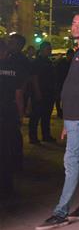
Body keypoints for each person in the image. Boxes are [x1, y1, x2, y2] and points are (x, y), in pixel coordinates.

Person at [36, 13, 79, 230]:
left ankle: (61, 212)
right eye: (73, 23)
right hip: (73, 118)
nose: (75, 27)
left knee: (71, 162)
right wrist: (67, 121)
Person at [5, 34, 31, 170]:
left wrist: (22, 108)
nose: (9, 44)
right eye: (9, 42)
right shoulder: (7, 58)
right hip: (7, 101)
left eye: (12, 42)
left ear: (20, 45)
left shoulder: (21, 61)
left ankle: (16, 161)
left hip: (14, 101)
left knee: (14, 131)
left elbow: (23, 85)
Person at [0, 39, 20, 194]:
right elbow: (18, 92)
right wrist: (20, 113)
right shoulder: (13, 67)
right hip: (8, 111)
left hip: (6, 111)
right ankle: (7, 184)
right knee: (6, 148)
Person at [29, 42, 56, 144]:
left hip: (48, 93)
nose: (50, 51)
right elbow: (34, 78)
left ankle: (46, 135)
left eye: (50, 49)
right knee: (36, 116)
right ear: (42, 50)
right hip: (40, 92)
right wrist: (37, 92)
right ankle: (33, 137)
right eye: (48, 49)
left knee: (46, 115)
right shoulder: (37, 62)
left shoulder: (48, 62)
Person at [54, 49, 74, 118]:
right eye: (70, 55)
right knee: (58, 99)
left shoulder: (73, 63)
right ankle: (60, 112)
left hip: (69, 84)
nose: (71, 56)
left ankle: (65, 112)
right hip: (60, 83)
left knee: (67, 99)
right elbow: (57, 72)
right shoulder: (62, 62)